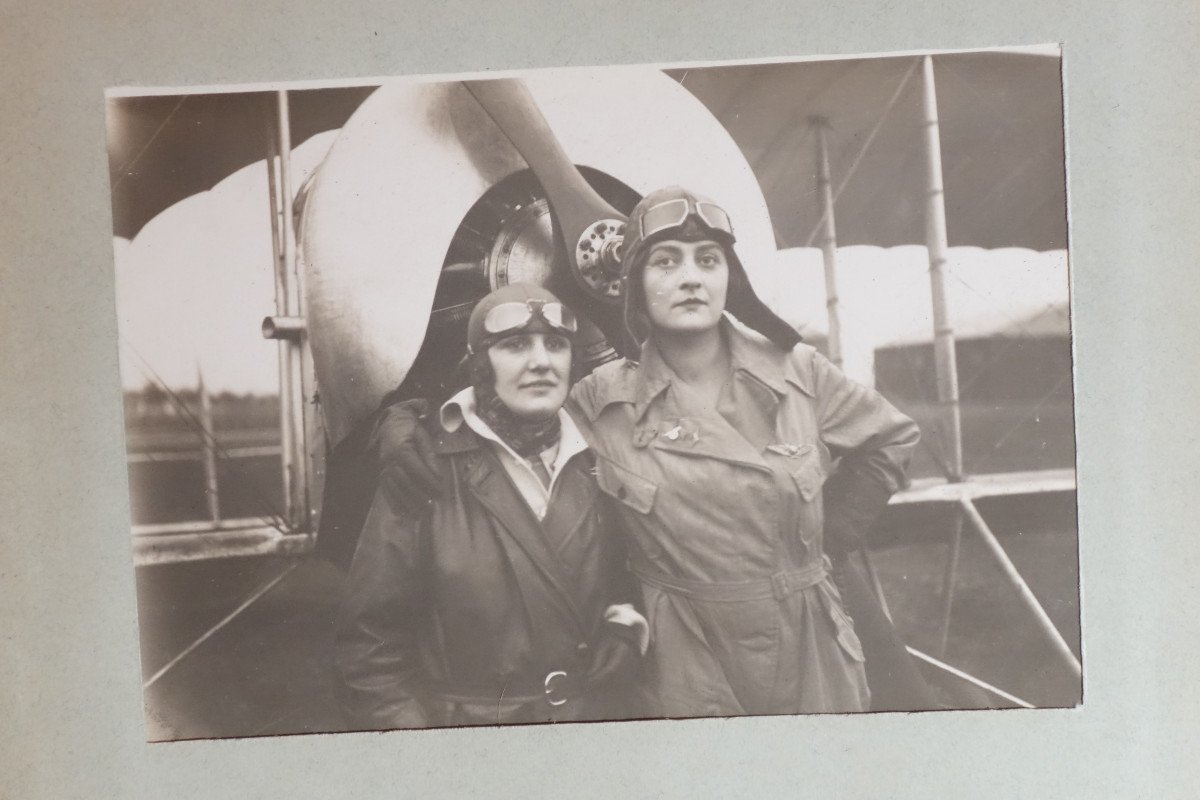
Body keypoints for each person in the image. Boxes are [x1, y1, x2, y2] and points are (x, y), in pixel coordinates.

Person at [564, 186, 922, 716]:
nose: (690, 277)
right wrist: (410, 427)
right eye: (666, 262)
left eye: (708, 260)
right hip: (687, 653)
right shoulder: (601, 398)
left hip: (809, 645)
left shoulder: (799, 371)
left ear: (729, 277)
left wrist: (830, 538)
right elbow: (513, 434)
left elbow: (892, 436)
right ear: (635, 284)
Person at [334, 283, 648, 729]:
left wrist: (623, 625)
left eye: (556, 345)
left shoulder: (597, 456)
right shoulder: (423, 465)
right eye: (516, 345)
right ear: (480, 365)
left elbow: (624, 575)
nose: (541, 362)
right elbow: (369, 649)